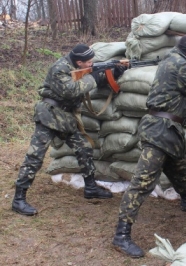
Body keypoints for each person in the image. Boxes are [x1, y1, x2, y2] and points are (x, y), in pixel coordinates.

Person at [112, 34, 186, 258]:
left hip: (168, 128)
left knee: (177, 168)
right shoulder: (181, 64)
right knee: (142, 182)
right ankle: (121, 235)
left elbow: (183, 87)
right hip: (159, 129)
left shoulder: (172, 60)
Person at [12, 44, 127, 216]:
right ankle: (18, 199)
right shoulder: (59, 68)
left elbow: (93, 79)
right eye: (88, 62)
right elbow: (71, 90)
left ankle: (90, 187)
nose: (91, 63)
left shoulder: (79, 68)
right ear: (79, 62)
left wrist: (113, 72)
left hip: (66, 117)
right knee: (35, 156)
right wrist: (94, 77)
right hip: (49, 116)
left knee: (84, 149)